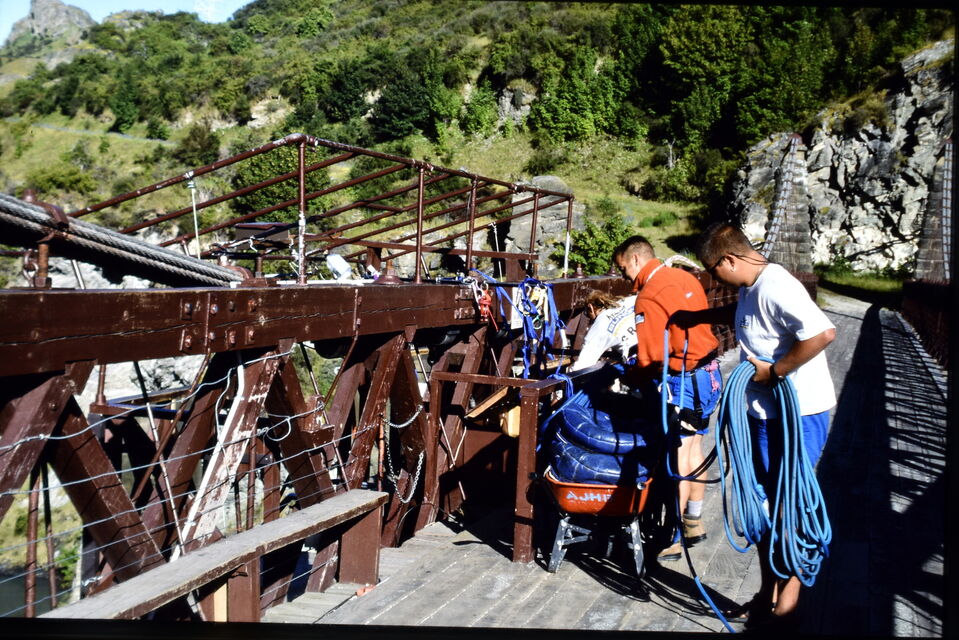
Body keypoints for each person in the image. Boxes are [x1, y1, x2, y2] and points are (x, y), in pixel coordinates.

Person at [672, 222, 836, 628]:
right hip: (762, 413)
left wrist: (775, 371)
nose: (715, 280)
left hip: (799, 414)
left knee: (788, 503)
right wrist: (698, 317)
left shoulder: (778, 285)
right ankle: (767, 594)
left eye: (713, 271)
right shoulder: (750, 286)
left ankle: (787, 606)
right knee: (760, 501)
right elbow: (746, 315)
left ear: (729, 260)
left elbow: (822, 333)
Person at [612, 235, 723, 562]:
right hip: (710, 375)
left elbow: (649, 360)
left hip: (684, 380)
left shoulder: (648, 296)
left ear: (635, 259)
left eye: (623, 269)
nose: (624, 277)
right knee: (695, 448)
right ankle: (694, 521)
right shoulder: (685, 277)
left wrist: (626, 380)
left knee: (678, 458)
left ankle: (672, 538)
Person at [569, 290, 637, 371]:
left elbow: (583, 364)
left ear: (590, 307)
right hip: (649, 344)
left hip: (637, 360)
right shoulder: (628, 301)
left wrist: (569, 371)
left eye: (587, 313)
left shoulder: (600, 325)